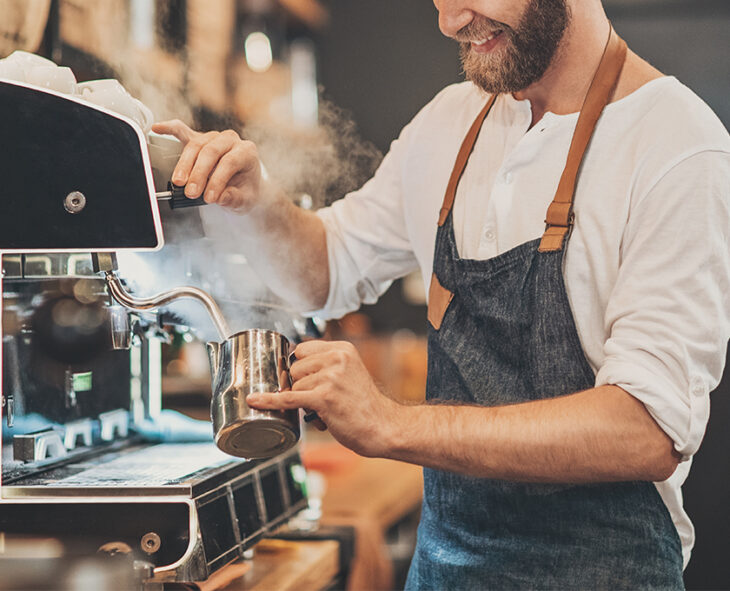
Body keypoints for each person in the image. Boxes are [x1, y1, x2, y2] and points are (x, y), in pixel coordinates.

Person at [153, 0, 730, 587]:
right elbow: (328, 269)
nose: (449, 21)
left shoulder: (676, 143)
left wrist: (391, 423)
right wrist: (256, 201)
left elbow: (645, 432)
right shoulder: (450, 122)